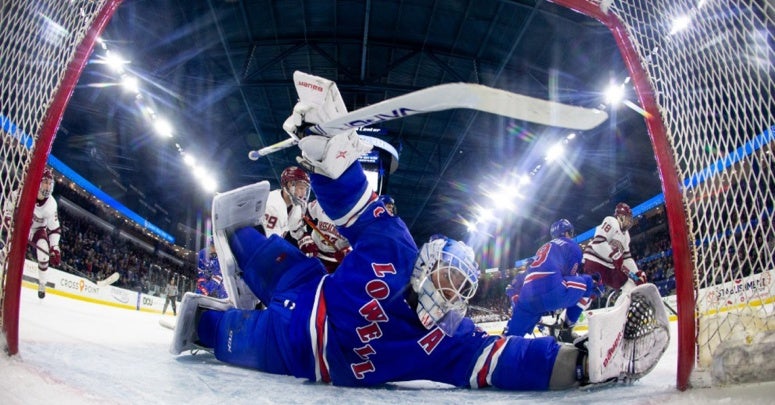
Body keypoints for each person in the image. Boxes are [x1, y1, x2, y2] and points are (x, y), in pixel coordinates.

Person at [170, 112, 668, 390]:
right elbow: (352, 207)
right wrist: (328, 159)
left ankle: (206, 320)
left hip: (294, 348)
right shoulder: (395, 245)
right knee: (263, 253)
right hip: (311, 286)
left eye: (460, 292)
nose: (450, 298)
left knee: (220, 332)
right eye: (448, 280)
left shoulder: (446, 340)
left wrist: (580, 363)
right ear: (427, 265)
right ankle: (239, 241)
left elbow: (503, 359)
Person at [503, 219, 597, 343]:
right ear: (568, 233)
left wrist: (516, 301)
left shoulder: (542, 249)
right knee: (590, 282)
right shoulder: (572, 245)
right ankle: (566, 330)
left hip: (527, 299)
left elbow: (510, 289)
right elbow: (569, 276)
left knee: (506, 341)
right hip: (552, 291)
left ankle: (504, 340)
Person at [3, 167, 61, 299]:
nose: (47, 186)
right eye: (45, 182)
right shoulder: (25, 190)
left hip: (38, 230)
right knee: (9, 251)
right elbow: (10, 204)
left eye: (49, 183)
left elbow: (54, 229)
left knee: (44, 253)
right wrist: (7, 217)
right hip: (20, 226)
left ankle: (42, 283)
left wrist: (55, 248)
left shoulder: (51, 204)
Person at [582, 202, 647, 298]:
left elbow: (627, 258)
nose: (629, 222)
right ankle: (574, 309)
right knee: (590, 293)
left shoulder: (626, 235)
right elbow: (598, 242)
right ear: (620, 217)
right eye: (627, 218)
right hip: (594, 262)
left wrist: (636, 273)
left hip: (609, 267)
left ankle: (627, 310)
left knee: (629, 286)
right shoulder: (611, 221)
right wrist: (614, 255)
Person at [261, 166, 318, 258]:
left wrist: (304, 239)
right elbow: (271, 242)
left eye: (305, 189)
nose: (304, 194)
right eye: (301, 188)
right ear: (289, 185)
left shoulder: (296, 206)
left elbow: (296, 228)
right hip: (257, 249)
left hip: (270, 246)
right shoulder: (272, 205)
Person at [305, 198, 351, 273]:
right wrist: (305, 239)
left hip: (336, 261)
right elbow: (303, 215)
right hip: (314, 252)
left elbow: (362, 245)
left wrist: (348, 254)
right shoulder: (322, 202)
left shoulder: (357, 216)